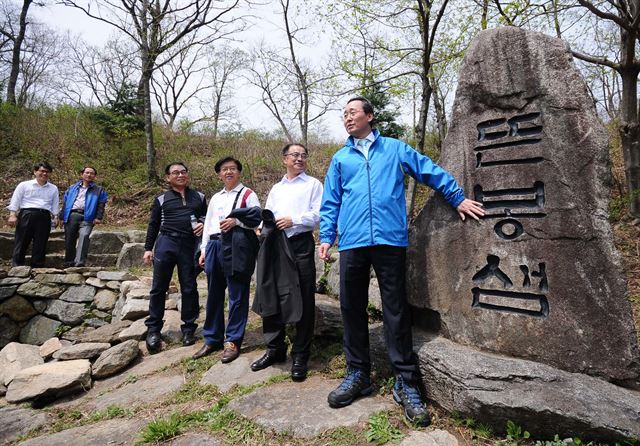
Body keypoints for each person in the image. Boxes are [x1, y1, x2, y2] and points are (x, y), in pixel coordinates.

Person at [319, 97, 485, 426]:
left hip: (389, 240)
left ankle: (406, 381)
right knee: (351, 308)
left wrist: (457, 197)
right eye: (344, 115)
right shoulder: (340, 159)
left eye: (352, 112)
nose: (347, 118)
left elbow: (428, 170)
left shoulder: (394, 149)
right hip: (352, 241)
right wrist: (326, 237)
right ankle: (358, 374)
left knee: (395, 309)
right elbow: (331, 200)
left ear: (369, 115)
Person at [251, 143, 323, 381]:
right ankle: (275, 348)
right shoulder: (276, 188)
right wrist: (261, 226)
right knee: (270, 292)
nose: (299, 158)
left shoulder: (313, 184)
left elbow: (320, 213)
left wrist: (295, 220)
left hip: (300, 243)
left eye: (303, 155)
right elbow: (268, 212)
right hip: (274, 245)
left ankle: (301, 354)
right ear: (284, 159)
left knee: (303, 297)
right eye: (295, 155)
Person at [192, 157, 261, 364]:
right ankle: (212, 338)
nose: (229, 172)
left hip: (238, 246)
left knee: (237, 294)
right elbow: (210, 224)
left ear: (239, 172)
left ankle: (233, 340)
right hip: (214, 245)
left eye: (232, 169)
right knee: (213, 293)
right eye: (224, 169)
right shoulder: (215, 198)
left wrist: (237, 220)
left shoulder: (248, 194)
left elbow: (257, 219)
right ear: (219, 174)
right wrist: (203, 249)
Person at [143, 162, 207, 353]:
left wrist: (203, 222)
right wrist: (148, 248)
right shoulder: (161, 199)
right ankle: (153, 330)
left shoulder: (199, 197)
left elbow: (207, 216)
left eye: (183, 172)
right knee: (158, 287)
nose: (180, 175)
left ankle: (189, 328)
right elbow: (153, 225)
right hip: (166, 243)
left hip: (189, 245)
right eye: (175, 172)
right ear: (168, 177)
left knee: (189, 286)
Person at [7, 161, 59, 268]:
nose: (44, 174)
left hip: (44, 216)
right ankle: (17, 266)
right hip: (27, 214)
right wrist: (12, 214)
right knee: (22, 241)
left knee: (41, 242)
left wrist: (56, 216)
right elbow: (16, 200)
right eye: (42, 171)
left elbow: (55, 204)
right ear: (35, 172)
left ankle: (37, 267)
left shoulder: (53, 188)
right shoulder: (24, 185)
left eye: (47, 172)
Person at [59, 166, 108, 267]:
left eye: (92, 173)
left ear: (94, 176)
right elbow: (65, 203)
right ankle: (69, 261)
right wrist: (61, 217)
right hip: (72, 215)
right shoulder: (72, 188)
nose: (89, 175)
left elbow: (101, 204)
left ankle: (79, 262)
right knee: (69, 238)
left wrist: (98, 217)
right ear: (82, 174)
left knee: (84, 236)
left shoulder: (99, 190)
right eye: (87, 172)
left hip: (87, 216)